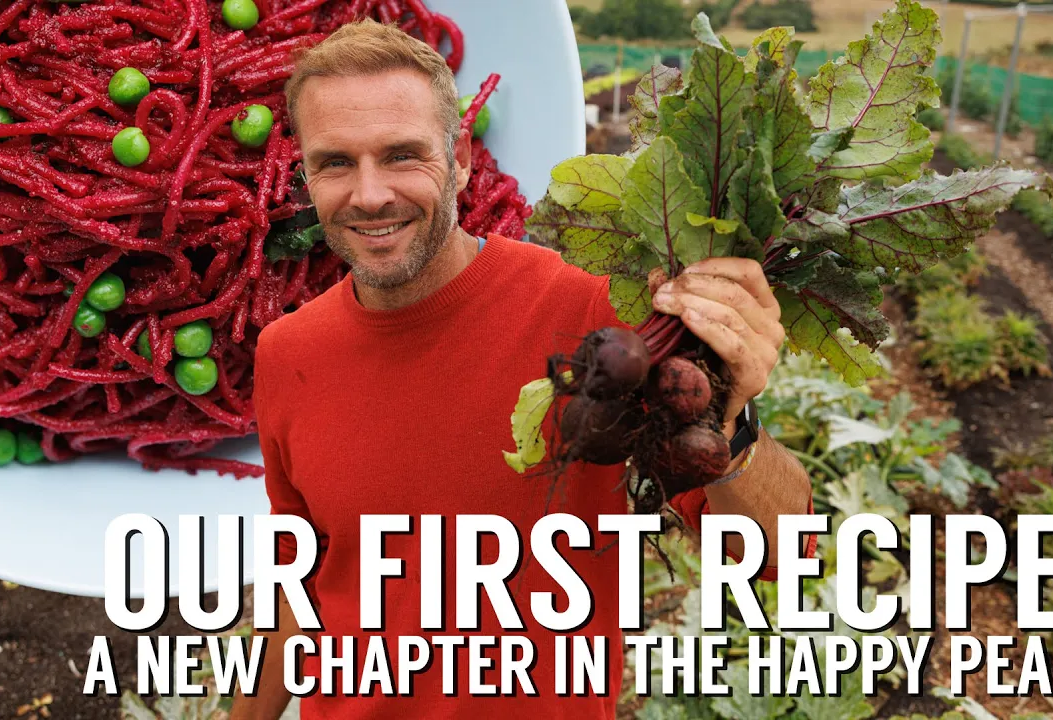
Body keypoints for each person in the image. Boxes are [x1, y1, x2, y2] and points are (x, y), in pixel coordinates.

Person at [232, 18, 814, 720]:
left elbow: (777, 554)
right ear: (306, 177)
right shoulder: (287, 352)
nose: (370, 193)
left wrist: (728, 421)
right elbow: (299, 578)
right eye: (334, 163)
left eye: (402, 155)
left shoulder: (594, 312)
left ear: (464, 159)